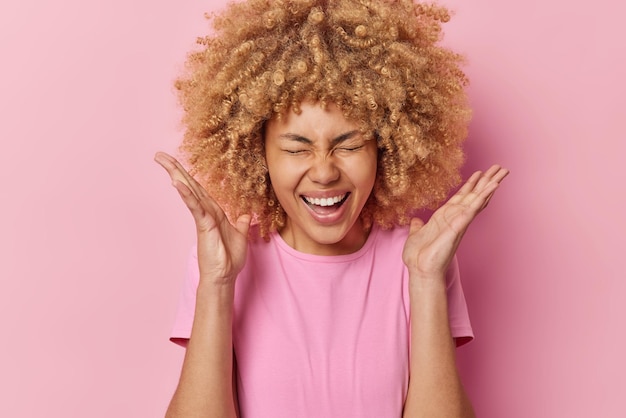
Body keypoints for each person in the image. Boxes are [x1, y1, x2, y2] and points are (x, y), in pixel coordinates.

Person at [155, 0, 508, 417]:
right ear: (258, 153)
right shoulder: (224, 263)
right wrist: (216, 284)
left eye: (350, 145)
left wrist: (427, 280)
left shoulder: (421, 259)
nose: (324, 172)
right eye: (295, 148)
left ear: (385, 147)